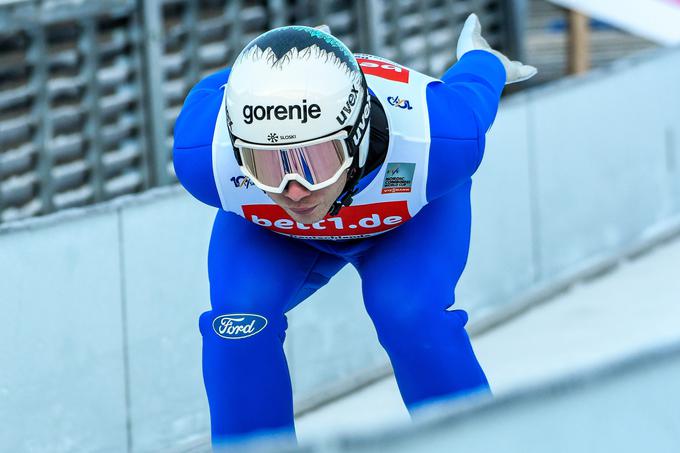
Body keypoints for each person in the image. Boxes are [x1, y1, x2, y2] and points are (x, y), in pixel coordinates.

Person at [173, 14, 536, 450]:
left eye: (316, 162)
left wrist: (484, 61)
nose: (295, 191)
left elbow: (471, 93)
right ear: (236, 148)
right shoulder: (203, 156)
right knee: (238, 322)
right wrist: (294, 53)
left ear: (358, 134)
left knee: (409, 313)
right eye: (265, 164)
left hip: (407, 223)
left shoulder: (439, 138)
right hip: (279, 235)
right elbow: (219, 90)